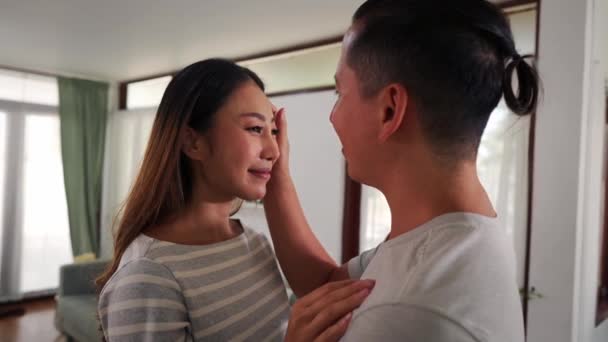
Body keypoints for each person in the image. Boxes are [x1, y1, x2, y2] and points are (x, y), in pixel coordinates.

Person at [264, 0, 539, 341]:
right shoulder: (453, 236)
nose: (333, 116)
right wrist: (277, 181)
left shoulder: (406, 314)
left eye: (340, 92)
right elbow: (325, 287)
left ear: (389, 110)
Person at [96, 58, 374, 341]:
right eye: (255, 129)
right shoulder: (147, 277)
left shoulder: (255, 243)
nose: (274, 151)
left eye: (274, 132)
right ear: (193, 143)